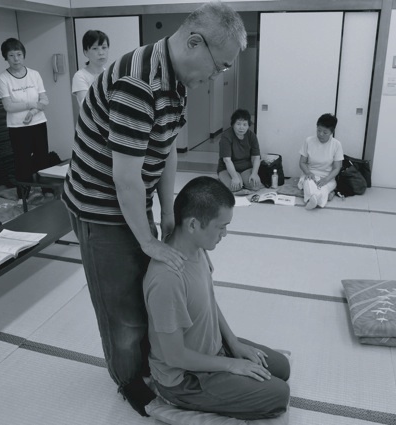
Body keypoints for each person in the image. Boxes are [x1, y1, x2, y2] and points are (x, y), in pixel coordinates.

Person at [62, 1, 247, 417]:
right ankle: (128, 379)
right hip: (98, 207)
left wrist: (167, 214)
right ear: (195, 43)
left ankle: (148, 362)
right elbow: (125, 179)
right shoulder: (139, 84)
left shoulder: (175, 81)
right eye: (219, 66)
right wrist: (147, 241)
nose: (217, 76)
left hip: (131, 200)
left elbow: (167, 151)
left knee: (143, 288)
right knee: (121, 308)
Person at [144, 176, 290, 420]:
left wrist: (233, 343)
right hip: (184, 378)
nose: (225, 233)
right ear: (193, 225)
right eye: (221, 227)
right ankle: (175, 399)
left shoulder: (197, 247)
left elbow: (209, 301)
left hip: (213, 347)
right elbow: (174, 356)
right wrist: (232, 365)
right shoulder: (167, 279)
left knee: (281, 367)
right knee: (279, 395)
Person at [0, 38, 50, 197]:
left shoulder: (34, 74)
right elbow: (8, 106)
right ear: (5, 57)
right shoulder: (3, 78)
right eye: (11, 55)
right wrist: (32, 104)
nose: (16, 59)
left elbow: (45, 101)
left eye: (19, 54)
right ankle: (24, 196)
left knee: (43, 158)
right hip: (17, 126)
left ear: (24, 55)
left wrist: (32, 112)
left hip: (38, 122)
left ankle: (47, 190)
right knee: (22, 161)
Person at [298, 113, 343, 210]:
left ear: (331, 132)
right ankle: (318, 198)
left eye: (325, 132)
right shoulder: (308, 141)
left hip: (328, 177)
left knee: (325, 187)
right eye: (318, 130)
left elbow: (337, 168)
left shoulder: (336, 144)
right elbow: (302, 162)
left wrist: (326, 179)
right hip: (310, 175)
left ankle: (312, 198)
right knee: (309, 183)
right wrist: (308, 172)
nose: (321, 134)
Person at [217, 109, 262, 193]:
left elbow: (256, 157)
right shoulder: (226, 136)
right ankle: (223, 179)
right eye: (238, 124)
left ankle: (242, 180)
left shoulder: (251, 136)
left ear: (248, 125)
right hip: (227, 168)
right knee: (235, 187)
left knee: (255, 186)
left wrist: (254, 173)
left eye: (245, 124)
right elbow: (227, 160)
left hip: (246, 168)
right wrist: (234, 177)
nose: (241, 127)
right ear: (233, 124)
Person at [72, 30, 109, 106]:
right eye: (95, 48)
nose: (101, 52)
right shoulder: (80, 76)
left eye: (104, 47)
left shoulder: (110, 74)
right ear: (86, 52)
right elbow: (86, 105)